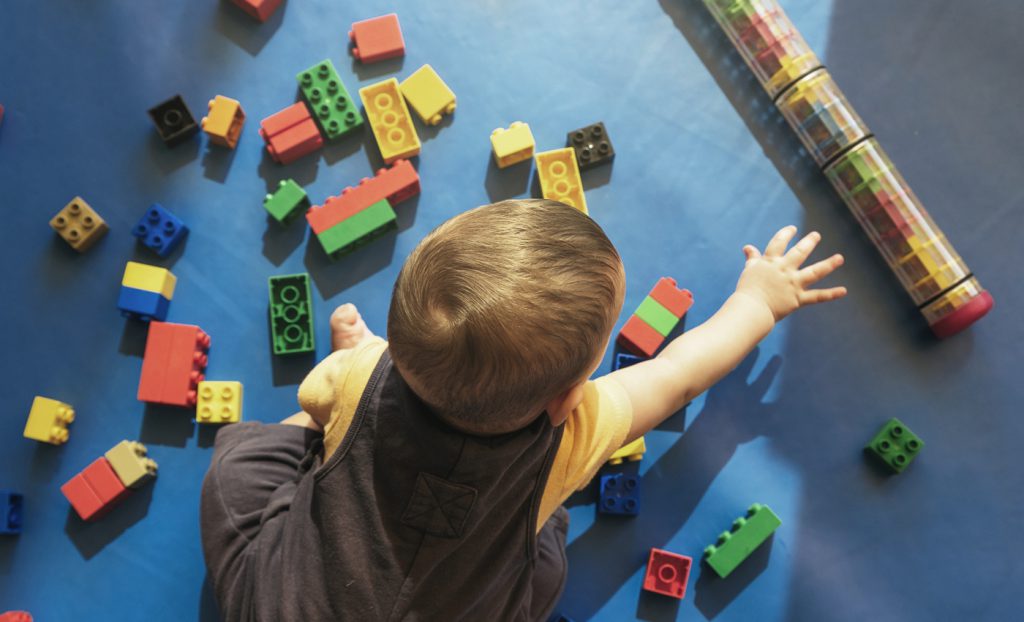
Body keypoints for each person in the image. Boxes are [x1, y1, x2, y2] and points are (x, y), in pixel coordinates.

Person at [200, 199, 846, 621]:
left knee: (242, 465)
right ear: (567, 399)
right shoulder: (575, 434)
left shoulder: (363, 372)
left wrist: (352, 380)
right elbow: (676, 376)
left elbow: (314, 404)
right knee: (536, 567)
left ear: (397, 345)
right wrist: (759, 302)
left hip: (280, 607)